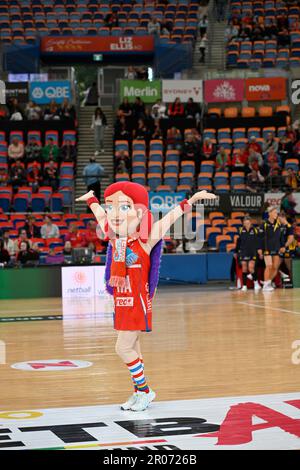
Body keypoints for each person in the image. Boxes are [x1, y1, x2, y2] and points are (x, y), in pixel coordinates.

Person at [76, 182, 217, 411]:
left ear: (140, 212)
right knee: (135, 349)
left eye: (123, 208)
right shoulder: (115, 240)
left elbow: (170, 218)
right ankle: (137, 392)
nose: (114, 214)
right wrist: (92, 199)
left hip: (137, 303)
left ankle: (145, 390)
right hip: (121, 302)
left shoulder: (145, 240)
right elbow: (101, 215)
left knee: (122, 348)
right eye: (111, 207)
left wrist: (191, 200)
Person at [258, 206, 285, 292]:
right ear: (269, 213)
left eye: (276, 213)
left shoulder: (279, 224)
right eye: (274, 213)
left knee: (275, 267)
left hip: (276, 247)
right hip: (267, 248)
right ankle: (265, 285)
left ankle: (267, 282)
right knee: (269, 266)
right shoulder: (264, 224)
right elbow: (259, 237)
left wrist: (283, 246)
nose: (276, 214)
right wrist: (259, 248)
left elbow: (281, 237)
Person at [236, 216, 261, 292]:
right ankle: (244, 286)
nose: (246, 224)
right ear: (243, 223)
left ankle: (256, 283)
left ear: (250, 222)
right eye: (245, 222)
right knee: (244, 268)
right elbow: (238, 242)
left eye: (248, 222)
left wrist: (259, 250)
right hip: (243, 251)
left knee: (251, 268)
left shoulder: (255, 230)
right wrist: (236, 251)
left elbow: (258, 241)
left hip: (252, 251)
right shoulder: (240, 230)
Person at [278, 212, 297, 284]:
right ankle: (278, 281)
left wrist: (284, 246)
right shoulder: (280, 226)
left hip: (288, 249)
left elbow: (291, 239)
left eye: (279, 218)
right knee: (276, 266)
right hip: (280, 249)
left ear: (283, 217)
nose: (278, 220)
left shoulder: (289, 226)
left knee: (289, 267)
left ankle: (293, 282)